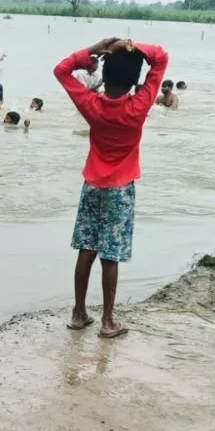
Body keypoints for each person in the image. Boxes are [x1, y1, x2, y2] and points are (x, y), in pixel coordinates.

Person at [55, 37, 169, 338]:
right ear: (134, 80)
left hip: (92, 184)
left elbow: (61, 70)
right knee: (110, 256)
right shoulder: (139, 106)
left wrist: (95, 48)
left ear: (104, 77)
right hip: (121, 188)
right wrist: (131, 46)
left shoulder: (91, 104)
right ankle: (108, 321)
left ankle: (79, 313)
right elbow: (160, 58)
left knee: (86, 249)